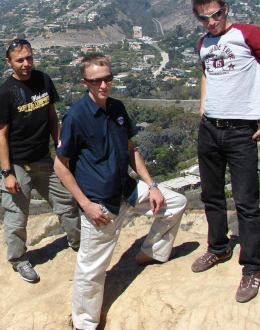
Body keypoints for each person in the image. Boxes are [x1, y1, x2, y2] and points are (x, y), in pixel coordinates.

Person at [54, 54, 187, 330]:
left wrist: (151, 185)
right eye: (96, 80)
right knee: (91, 271)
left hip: (126, 190)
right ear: (85, 83)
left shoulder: (117, 108)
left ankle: (151, 252)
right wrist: (85, 204)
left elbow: (130, 151)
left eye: (107, 78)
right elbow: (60, 165)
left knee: (175, 203)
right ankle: (84, 324)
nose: (103, 85)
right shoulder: (76, 117)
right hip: (100, 204)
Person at [191, 0, 260, 303]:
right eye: (204, 17)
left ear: (226, 9)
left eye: (216, 14)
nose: (211, 21)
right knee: (211, 195)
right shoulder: (204, 43)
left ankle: (253, 268)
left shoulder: (248, 34)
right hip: (210, 129)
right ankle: (218, 248)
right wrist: (203, 108)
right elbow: (205, 74)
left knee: (246, 202)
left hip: (242, 131)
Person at [0, 38, 81, 283]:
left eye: (29, 57)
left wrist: (61, 152)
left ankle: (79, 243)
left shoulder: (43, 80)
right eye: (20, 60)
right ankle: (19, 261)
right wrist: (7, 172)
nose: (26, 63)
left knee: (67, 203)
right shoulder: (5, 92)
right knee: (17, 216)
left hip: (44, 159)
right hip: (18, 164)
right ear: (9, 63)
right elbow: (2, 135)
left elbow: (53, 117)